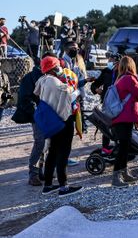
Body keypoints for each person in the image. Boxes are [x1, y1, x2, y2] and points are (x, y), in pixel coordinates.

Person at [33, 56, 82, 196]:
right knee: (63, 153)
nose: (60, 68)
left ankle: (48, 185)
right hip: (63, 120)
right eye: (58, 66)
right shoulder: (54, 82)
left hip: (51, 121)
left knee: (53, 152)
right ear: (54, 68)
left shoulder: (42, 81)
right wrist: (76, 91)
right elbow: (68, 94)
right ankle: (63, 186)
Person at [110, 56, 138, 188]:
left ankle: (124, 173)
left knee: (124, 148)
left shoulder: (119, 79)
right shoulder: (129, 79)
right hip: (124, 119)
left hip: (119, 118)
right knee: (123, 149)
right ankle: (116, 178)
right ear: (132, 66)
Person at [12, 56, 48, 185]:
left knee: (46, 143)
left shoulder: (50, 75)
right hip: (37, 116)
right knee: (40, 142)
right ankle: (33, 174)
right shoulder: (30, 78)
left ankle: (41, 171)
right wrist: (36, 113)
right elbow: (24, 99)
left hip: (48, 115)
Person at [90, 52, 120, 149]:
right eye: (109, 60)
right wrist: (96, 89)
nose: (110, 62)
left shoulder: (122, 74)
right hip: (106, 103)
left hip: (118, 104)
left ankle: (118, 146)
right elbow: (94, 85)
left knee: (118, 127)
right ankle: (105, 148)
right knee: (106, 126)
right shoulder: (106, 72)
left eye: (112, 60)